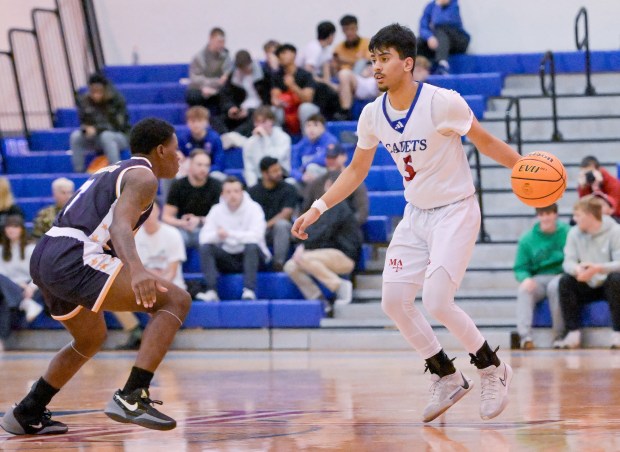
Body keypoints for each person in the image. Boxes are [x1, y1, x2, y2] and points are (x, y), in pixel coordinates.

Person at [292, 24, 520, 423]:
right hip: (415, 215)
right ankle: (446, 376)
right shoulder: (371, 114)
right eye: (373, 60)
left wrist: (522, 165)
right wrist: (317, 207)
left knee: (435, 299)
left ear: (408, 63)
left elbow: (483, 141)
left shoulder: (442, 102)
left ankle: (492, 368)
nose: (376, 67)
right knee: (394, 301)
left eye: (384, 59)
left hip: (455, 210)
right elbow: (355, 170)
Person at [0, 118, 191, 435]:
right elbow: (118, 227)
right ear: (160, 150)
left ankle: (27, 410)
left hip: (47, 253)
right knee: (176, 300)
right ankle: (133, 395)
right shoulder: (144, 177)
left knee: (90, 338)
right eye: (176, 149)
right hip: (75, 255)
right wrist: (137, 269)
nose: (179, 156)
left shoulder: (113, 169)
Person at [115, 202, 188, 350]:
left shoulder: (172, 233)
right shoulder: (133, 236)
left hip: (171, 283)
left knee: (156, 296)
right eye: (143, 211)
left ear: (159, 212)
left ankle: (162, 336)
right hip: (143, 283)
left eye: (151, 211)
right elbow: (133, 269)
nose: (147, 215)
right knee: (110, 293)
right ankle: (135, 331)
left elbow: (172, 271)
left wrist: (155, 284)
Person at [285, 176, 361, 315]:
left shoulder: (339, 206)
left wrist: (303, 245)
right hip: (322, 255)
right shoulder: (324, 209)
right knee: (290, 266)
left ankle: (340, 286)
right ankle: (319, 300)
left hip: (344, 256)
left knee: (303, 258)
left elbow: (323, 232)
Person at [553, 195, 620, 349]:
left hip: (607, 282)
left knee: (617, 279)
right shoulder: (574, 233)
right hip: (586, 282)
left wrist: (598, 268)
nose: (574, 219)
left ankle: (618, 333)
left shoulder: (615, 231)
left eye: (578, 215)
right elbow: (567, 261)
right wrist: (576, 269)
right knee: (565, 281)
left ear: (590, 216)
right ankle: (573, 333)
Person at [196, 176, 270, 302]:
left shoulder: (254, 208)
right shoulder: (216, 210)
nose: (232, 195)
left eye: (236, 191)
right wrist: (217, 235)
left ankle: (249, 290)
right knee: (206, 248)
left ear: (242, 192)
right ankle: (211, 291)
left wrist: (229, 234)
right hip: (229, 257)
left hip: (254, 257)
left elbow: (256, 236)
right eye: (228, 192)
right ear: (223, 194)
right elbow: (203, 238)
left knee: (251, 245)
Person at [513, 204, 570, 349]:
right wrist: (525, 278)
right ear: (538, 216)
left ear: (555, 215)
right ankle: (525, 337)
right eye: (542, 214)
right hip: (538, 278)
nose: (545, 218)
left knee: (555, 287)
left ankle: (559, 336)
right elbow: (520, 267)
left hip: (561, 275)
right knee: (524, 290)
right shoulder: (527, 239)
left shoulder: (568, 232)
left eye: (548, 214)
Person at [70, 73, 130, 173]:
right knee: (76, 136)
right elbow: (84, 121)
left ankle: (115, 171)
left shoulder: (116, 101)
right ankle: (79, 172)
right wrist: (86, 129)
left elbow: (119, 126)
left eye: (99, 91)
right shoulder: (85, 101)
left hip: (119, 137)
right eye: (93, 91)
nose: (96, 95)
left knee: (106, 136)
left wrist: (97, 129)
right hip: (96, 138)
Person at [162, 150, 222, 249]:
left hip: (207, 227)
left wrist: (199, 220)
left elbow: (221, 217)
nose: (203, 169)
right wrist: (182, 223)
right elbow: (166, 216)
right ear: (190, 164)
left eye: (207, 165)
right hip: (183, 228)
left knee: (214, 240)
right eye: (199, 165)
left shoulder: (216, 186)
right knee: (175, 239)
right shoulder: (178, 185)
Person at [0, 216, 43, 351]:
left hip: (30, 288)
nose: (11, 230)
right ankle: (25, 304)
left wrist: (30, 287)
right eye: (8, 227)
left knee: (5, 302)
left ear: (22, 230)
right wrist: (17, 285)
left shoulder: (31, 248)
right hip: (10, 285)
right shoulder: (1, 249)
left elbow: (39, 273)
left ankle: (1, 341)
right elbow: (2, 274)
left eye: (15, 227)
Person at [248, 157, 299, 271]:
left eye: (279, 170)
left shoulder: (289, 189)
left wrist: (265, 226)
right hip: (258, 231)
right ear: (264, 174)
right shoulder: (252, 192)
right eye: (275, 171)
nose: (279, 173)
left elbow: (286, 213)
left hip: (279, 232)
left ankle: (278, 264)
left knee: (281, 225)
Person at [302, 143, 368, 226]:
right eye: (328, 157)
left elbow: (362, 212)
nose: (330, 160)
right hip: (321, 231)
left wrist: (346, 226)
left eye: (334, 157)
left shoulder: (355, 182)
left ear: (344, 157)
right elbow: (305, 209)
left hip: (345, 230)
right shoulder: (317, 182)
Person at [332, 15, 378, 119]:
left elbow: (368, 62)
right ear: (343, 31)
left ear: (356, 28)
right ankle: (345, 112)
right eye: (346, 29)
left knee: (361, 63)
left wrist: (345, 60)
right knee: (344, 74)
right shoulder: (338, 49)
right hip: (355, 82)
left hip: (372, 79)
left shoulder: (368, 43)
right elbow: (336, 69)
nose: (349, 32)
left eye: (352, 29)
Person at [219, 50, 272, 137]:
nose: (244, 70)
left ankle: (233, 136)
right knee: (217, 118)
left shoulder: (264, 74)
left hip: (259, 109)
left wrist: (249, 112)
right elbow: (226, 96)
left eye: (246, 67)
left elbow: (268, 98)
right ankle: (225, 136)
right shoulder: (233, 77)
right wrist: (231, 108)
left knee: (257, 118)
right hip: (240, 108)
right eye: (241, 68)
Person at [271, 43, 320, 135]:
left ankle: (307, 139)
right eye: (279, 54)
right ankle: (278, 140)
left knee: (305, 108)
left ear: (294, 54)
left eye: (284, 52)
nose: (281, 56)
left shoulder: (306, 75)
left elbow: (307, 99)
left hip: (305, 108)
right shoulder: (277, 76)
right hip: (287, 110)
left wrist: (293, 86)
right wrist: (276, 102)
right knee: (274, 110)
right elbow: (275, 96)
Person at [185, 27, 233, 114]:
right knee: (192, 96)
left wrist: (217, 86)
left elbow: (227, 75)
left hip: (218, 90)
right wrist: (210, 85)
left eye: (223, 42)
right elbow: (195, 78)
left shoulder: (226, 57)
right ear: (211, 39)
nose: (221, 45)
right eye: (219, 42)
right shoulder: (199, 57)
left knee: (227, 96)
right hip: (201, 89)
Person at [242, 106, 292, 188]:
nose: (260, 126)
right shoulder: (249, 142)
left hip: (280, 178)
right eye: (257, 122)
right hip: (259, 181)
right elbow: (249, 168)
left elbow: (274, 160)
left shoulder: (283, 138)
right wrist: (253, 188)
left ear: (272, 121)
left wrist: (265, 138)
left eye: (264, 122)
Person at [417, 0, 470, 74]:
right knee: (419, 42)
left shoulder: (454, 5)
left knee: (441, 30)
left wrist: (438, 5)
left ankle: (443, 64)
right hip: (438, 41)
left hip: (457, 41)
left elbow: (440, 22)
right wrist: (429, 37)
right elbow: (422, 27)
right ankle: (419, 68)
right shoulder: (430, 6)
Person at [290, 113, 339, 183]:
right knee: (290, 182)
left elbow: (325, 159)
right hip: (305, 177)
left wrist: (305, 166)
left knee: (312, 167)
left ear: (323, 128)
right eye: (308, 126)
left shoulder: (330, 141)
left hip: (327, 176)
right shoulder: (302, 144)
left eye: (315, 125)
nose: (311, 129)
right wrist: (301, 176)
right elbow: (293, 167)